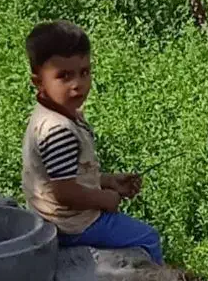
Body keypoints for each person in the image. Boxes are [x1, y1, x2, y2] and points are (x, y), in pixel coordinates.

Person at [20, 19, 163, 264]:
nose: (77, 84)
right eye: (64, 76)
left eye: (84, 72)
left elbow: (66, 174)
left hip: (50, 216)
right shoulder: (57, 130)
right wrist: (105, 199)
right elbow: (64, 192)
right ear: (38, 82)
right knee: (148, 238)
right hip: (70, 224)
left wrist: (107, 181)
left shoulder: (53, 115)